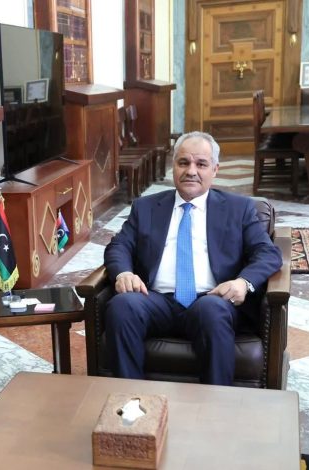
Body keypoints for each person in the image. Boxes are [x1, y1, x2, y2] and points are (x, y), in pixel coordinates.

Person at [103, 131, 282, 386]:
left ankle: (216, 402)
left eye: (201, 164)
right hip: (156, 300)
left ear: (215, 170)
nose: (191, 171)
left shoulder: (238, 209)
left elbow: (268, 252)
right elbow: (119, 245)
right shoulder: (145, 207)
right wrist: (123, 273)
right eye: (183, 162)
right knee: (123, 305)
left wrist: (243, 283)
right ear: (173, 166)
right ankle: (132, 398)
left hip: (211, 299)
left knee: (212, 310)